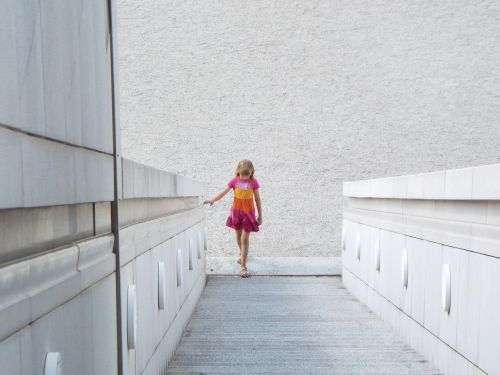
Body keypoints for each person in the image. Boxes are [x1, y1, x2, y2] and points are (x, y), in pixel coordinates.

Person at [203, 159, 262, 277]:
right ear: (238, 172)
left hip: (248, 215)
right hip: (237, 213)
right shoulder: (234, 181)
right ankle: (242, 253)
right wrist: (213, 200)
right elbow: (223, 192)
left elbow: (257, 199)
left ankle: (243, 267)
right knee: (238, 237)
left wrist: (260, 215)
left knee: (245, 239)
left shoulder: (253, 183)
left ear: (251, 172)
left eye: (248, 174)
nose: (245, 177)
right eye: (243, 174)